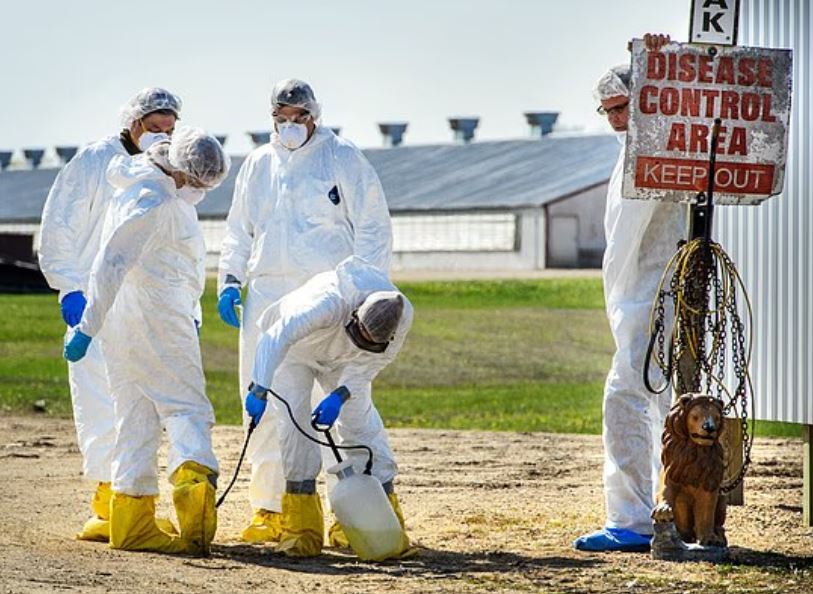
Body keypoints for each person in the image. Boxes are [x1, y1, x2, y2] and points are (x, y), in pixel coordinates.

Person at [216, 78, 393, 543]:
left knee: (340, 407)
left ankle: (350, 511)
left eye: (299, 117)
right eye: (282, 117)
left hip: (332, 298)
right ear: (271, 118)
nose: (291, 125)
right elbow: (239, 230)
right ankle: (271, 508)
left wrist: (366, 290)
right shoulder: (257, 164)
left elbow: (374, 227)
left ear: (315, 115)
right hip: (268, 299)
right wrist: (230, 280)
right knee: (271, 406)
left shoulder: (343, 158)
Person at [63, 127, 230, 555]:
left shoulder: (139, 188)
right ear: (181, 171)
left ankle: (133, 520)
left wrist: (94, 327)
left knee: (135, 416)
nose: (198, 190)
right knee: (188, 409)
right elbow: (109, 266)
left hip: (125, 325)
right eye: (197, 182)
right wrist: (85, 328)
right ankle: (195, 505)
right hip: (158, 319)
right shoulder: (153, 202)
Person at [38, 87, 182, 541]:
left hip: (140, 304)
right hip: (91, 300)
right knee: (100, 401)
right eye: (155, 127)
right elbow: (58, 227)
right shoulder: (92, 161)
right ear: (134, 122)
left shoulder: (160, 167)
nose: (162, 136)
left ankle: (132, 499)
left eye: (169, 130)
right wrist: (68, 289)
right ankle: (108, 503)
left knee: (139, 402)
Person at [574, 34, 687, 552]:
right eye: (608, 112)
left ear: (645, 97)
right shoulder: (634, 149)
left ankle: (635, 519)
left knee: (627, 398)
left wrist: (664, 62)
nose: (617, 120)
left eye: (623, 107)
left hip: (652, 294)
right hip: (639, 297)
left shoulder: (660, 142)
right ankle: (673, 511)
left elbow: (630, 241)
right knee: (663, 403)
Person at [243, 255, 413, 558]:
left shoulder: (401, 318)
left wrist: (341, 394)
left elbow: (372, 364)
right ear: (354, 315)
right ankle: (301, 528)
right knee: (295, 424)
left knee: (360, 423)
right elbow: (274, 338)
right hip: (296, 353)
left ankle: (380, 518)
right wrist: (259, 387)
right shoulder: (325, 304)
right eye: (358, 335)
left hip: (348, 363)